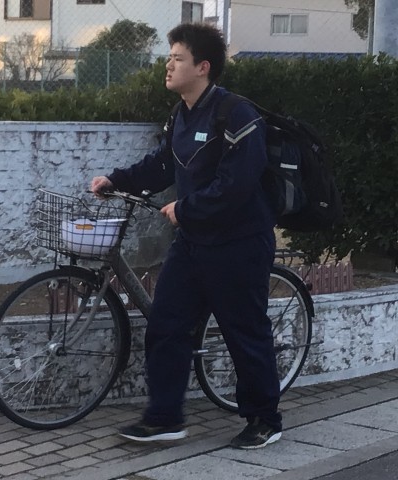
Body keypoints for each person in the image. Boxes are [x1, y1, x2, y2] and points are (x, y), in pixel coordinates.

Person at [90, 22, 282, 449]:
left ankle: (265, 420)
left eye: (178, 58)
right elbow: (163, 164)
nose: (169, 65)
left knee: (244, 332)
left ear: (203, 67)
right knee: (166, 324)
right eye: (170, 57)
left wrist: (185, 208)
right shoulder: (181, 114)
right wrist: (116, 180)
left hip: (239, 244)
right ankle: (164, 418)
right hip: (194, 243)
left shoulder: (236, 114)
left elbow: (237, 184)